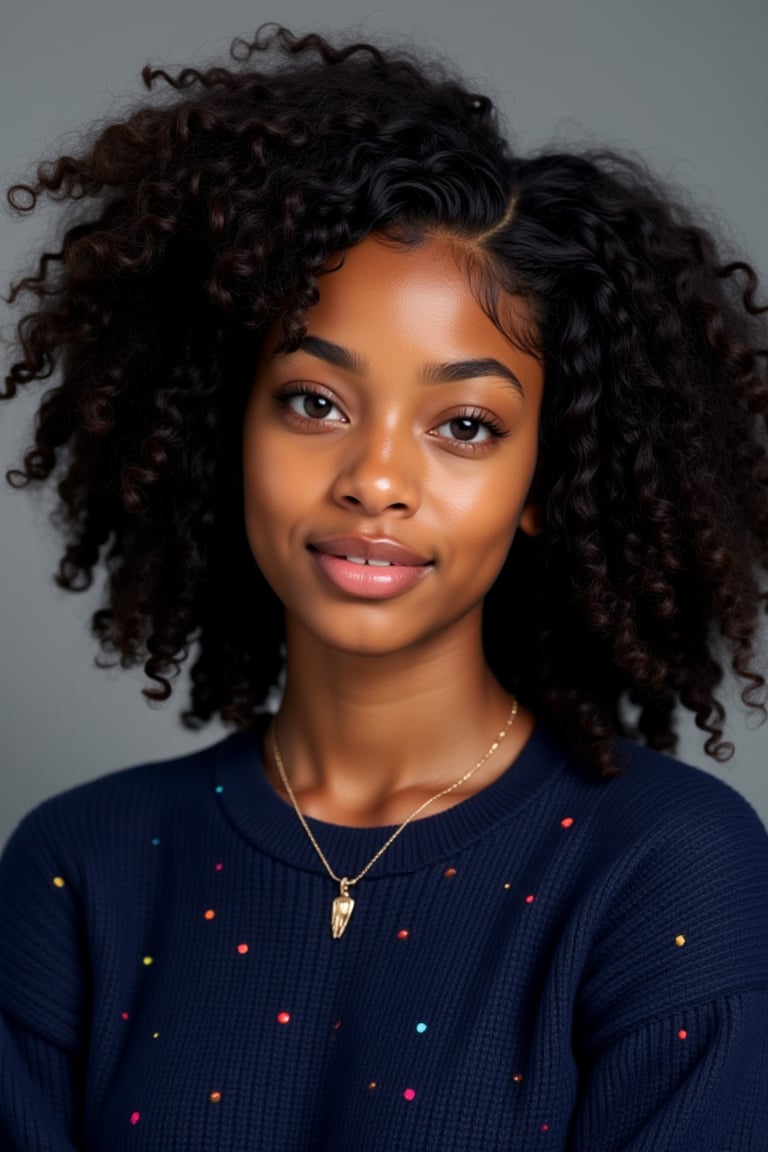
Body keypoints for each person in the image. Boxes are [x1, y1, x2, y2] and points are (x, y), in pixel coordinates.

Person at [1, 24, 767, 1152]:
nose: (375, 480)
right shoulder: (77, 871)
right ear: (230, 425)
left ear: (544, 480)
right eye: (316, 401)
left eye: (465, 425)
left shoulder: (668, 869)